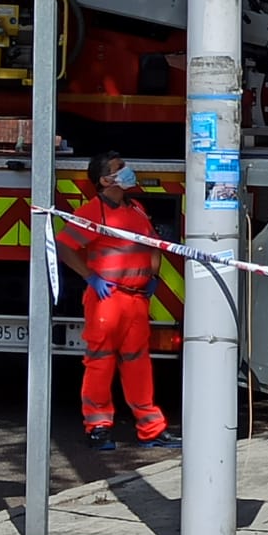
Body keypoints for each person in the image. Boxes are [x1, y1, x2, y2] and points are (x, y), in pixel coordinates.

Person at [57, 150, 181, 452]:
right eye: (119, 167)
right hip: (108, 299)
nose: (127, 170)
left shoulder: (136, 208)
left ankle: (151, 428)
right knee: (100, 363)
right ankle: (98, 427)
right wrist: (91, 278)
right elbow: (64, 246)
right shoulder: (92, 212)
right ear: (104, 179)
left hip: (136, 299)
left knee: (138, 365)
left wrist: (152, 277)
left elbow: (153, 243)